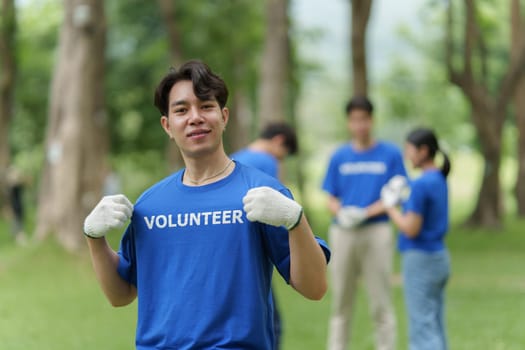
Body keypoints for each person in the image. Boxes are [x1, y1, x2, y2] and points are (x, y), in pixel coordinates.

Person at [83, 60, 330, 350]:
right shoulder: (151, 204)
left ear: (224, 117)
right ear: (167, 125)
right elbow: (121, 294)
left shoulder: (261, 193)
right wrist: (94, 238)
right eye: (181, 110)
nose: (195, 117)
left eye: (206, 106)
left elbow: (314, 288)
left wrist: (295, 220)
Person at [322, 96, 407, 350]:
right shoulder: (339, 156)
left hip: (377, 230)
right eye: (355, 120)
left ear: (372, 120)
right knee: (340, 302)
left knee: (381, 300)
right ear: (349, 122)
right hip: (343, 232)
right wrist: (343, 211)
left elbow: (397, 193)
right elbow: (330, 196)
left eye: (364, 119)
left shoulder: (390, 154)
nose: (360, 125)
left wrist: (366, 212)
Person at [380, 128, 451, 350]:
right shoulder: (438, 178)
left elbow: (411, 228)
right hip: (439, 257)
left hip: (420, 259)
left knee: (422, 330)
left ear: (423, 151)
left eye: (409, 149)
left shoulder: (421, 184)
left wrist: (389, 207)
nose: (407, 154)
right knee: (435, 325)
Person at [231, 121, 298, 350]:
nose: (282, 159)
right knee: (271, 322)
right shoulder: (268, 161)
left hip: (229, 245)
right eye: (284, 154)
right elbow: (277, 206)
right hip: (254, 246)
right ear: (279, 141)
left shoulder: (234, 157)